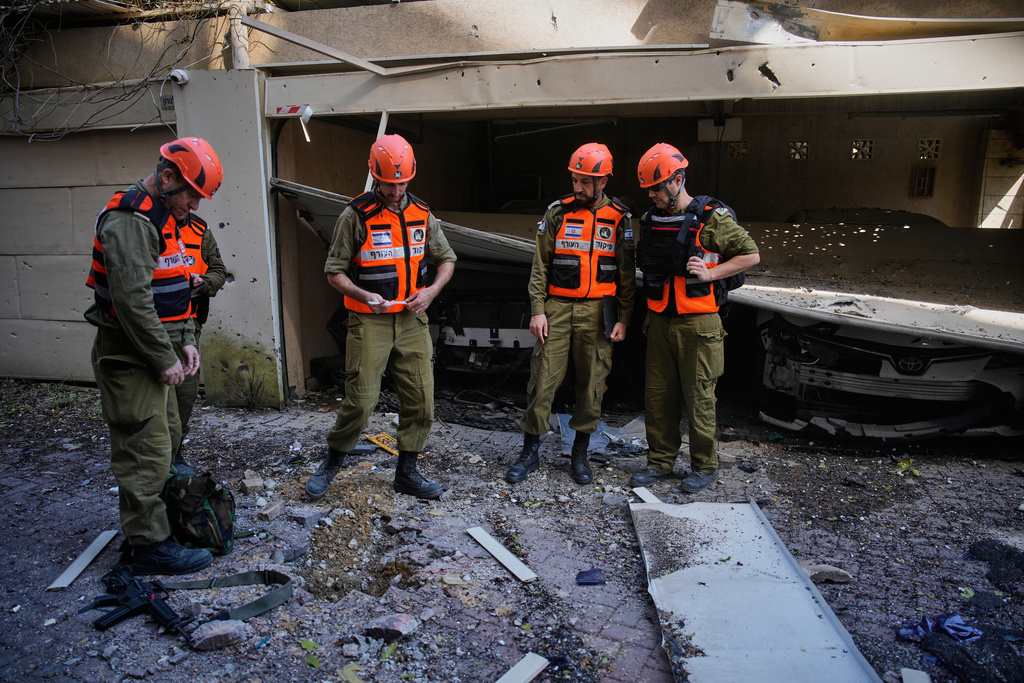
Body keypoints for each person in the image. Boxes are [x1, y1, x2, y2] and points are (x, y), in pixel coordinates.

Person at [85, 137, 224, 574]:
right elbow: (132, 304)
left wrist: (183, 339)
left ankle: (165, 525)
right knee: (143, 450)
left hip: (159, 348)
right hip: (130, 358)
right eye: (191, 194)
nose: (195, 205)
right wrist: (164, 358)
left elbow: (175, 288)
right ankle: (149, 545)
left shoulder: (166, 217)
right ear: (167, 178)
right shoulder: (131, 220)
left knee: (164, 441)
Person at [306, 134, 456, 501]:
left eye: (402, 182)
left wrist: (431, 292)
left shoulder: (422, 213)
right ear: (375, 175)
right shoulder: (354, 215)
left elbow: (447, 260)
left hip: (411, 319)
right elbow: (334, 272)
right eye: (389, 183)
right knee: (361, 400)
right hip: (369, 321)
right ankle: (332, 462)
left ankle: (407, 473)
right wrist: (362, 295)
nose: (396, 190)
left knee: (421, 399)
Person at [628, 143, 759, 493]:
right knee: (658, 396)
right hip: (659, 321)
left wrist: (711, 273)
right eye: (649, 189)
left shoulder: (712, 218)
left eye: (657, 187)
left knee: (699, 397)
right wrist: (650, 314)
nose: (653, 194)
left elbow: (751, 255)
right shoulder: (650, 219)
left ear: (678, 180)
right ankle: (660, 462)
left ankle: (704, 467)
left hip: (699, 324)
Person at [505, 143, 636, 486]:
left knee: (592, 386)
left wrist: (623, 317)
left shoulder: (620, 218)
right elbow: (540, 267)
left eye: (585, 182)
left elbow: (626, 274)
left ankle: (579, 454)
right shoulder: (557, 213)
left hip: (599, 313)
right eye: (575, 180)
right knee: (542, 381)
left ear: (603, 181)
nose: (577, 187)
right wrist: (537, 311)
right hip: (557, 309)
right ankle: (529, 452)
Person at [172, 212, 227, 477]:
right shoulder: (149, 225)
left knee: (186, 392)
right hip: (157, 322)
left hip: (190, 324)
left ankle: (175, 453)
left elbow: (218, 270)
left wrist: (203, 284)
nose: (194, 203)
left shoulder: (199, 230)